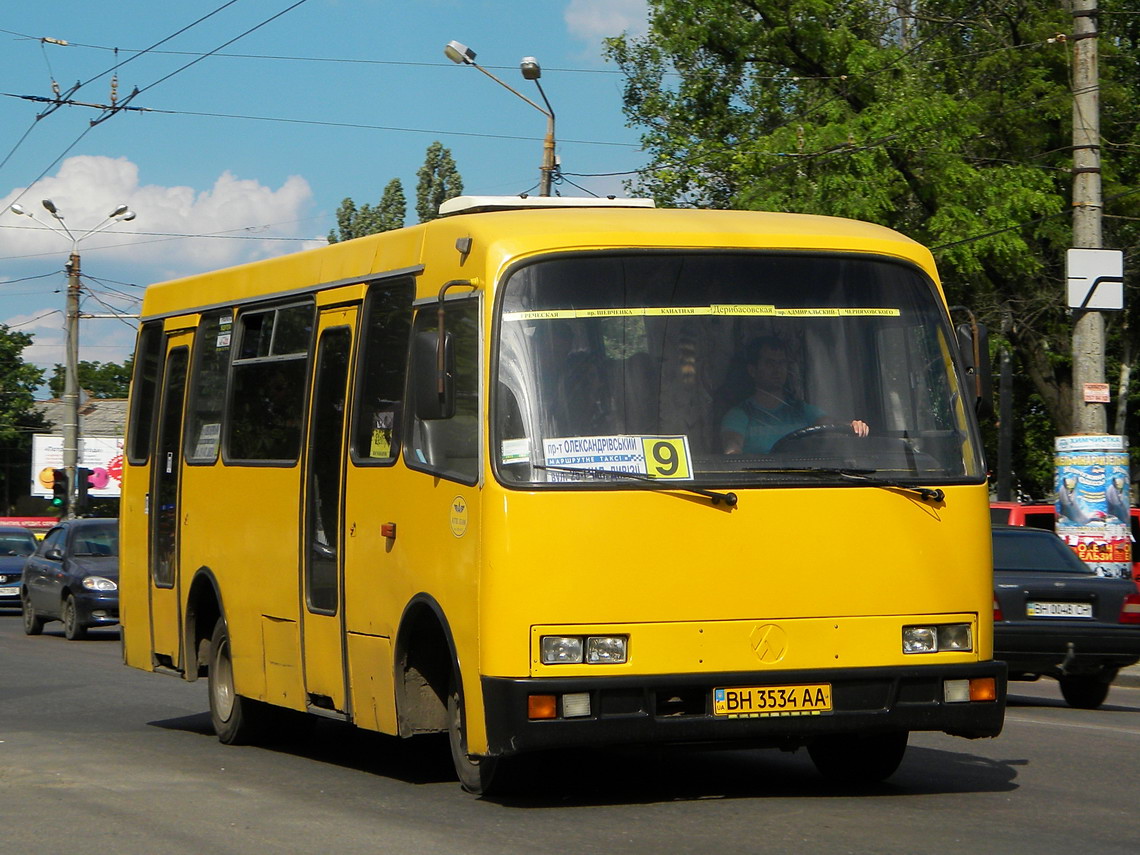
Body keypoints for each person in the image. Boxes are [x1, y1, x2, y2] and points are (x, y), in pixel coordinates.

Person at [722, 336, 869, 454]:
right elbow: (733, 452)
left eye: (782, 363)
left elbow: (831, 425)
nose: (777, 369)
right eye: (770, 363)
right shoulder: (739, 415)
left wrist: (852, 426)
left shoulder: (802, 410)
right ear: (752, 370)